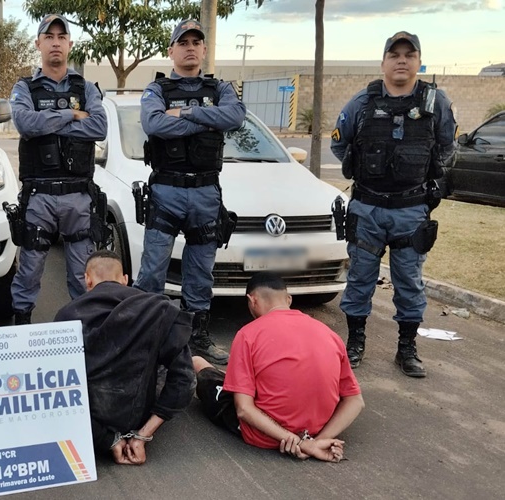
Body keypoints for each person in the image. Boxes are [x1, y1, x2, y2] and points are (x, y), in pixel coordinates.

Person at [331, 32, 457, 377]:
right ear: (384, 62)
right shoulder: (362, 102)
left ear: (418, 61)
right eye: (395, 54)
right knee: (360, 278)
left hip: (411, 210)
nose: (402, 60)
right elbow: (341, 146)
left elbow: (447, 148)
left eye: (409, 54)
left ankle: (407, 348)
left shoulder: (436, 103)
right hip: (367, 208)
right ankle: (355, 343)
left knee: (409, 281)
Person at [136, 19, 246, 364]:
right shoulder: (156, 90)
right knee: (153, 270)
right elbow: (154, 123)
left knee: (200, 271)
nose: (190, 47)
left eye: (196, 42)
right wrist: (207, 117)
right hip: (166, 190)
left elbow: (236, 117)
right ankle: (148, 336)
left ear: (204, 49)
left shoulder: (221, 89)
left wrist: (184, 112)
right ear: (171, 50)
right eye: (183, 42)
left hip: (205, 192)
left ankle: (196, 335)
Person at [195, 272, 364, 462]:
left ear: (252, 301)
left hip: (263, 436)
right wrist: (316, 441)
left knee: (201, 368)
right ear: (289, 299)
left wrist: (295, 441)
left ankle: (203, 366)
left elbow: (243, 409)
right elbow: (355, 401)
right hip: (317, 431)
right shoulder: (330, 334)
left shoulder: (248, 335)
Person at [8, 14, 108, 325]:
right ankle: (21, 327)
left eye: (61, 37)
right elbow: (25, 123)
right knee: (29, 271)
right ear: (38, 43)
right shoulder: (25, 87)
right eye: (48, 36)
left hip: (78, 195)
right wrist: (73, 115)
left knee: (82, 275)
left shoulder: (86, 87)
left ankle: (84, 334)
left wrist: (50, 120)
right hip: (39, 195)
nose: (55, 42)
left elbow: (100, 126)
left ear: (69, 44)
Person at [54, 250, 194, 465]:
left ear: (87, 280)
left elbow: (58, 392)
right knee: (180, 361)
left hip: (90, 424)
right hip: (138, 416)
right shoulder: (156, 310)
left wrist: (107, 440)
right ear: (125, 280)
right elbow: (184, 381)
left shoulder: (66, 317)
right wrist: (141, 436)